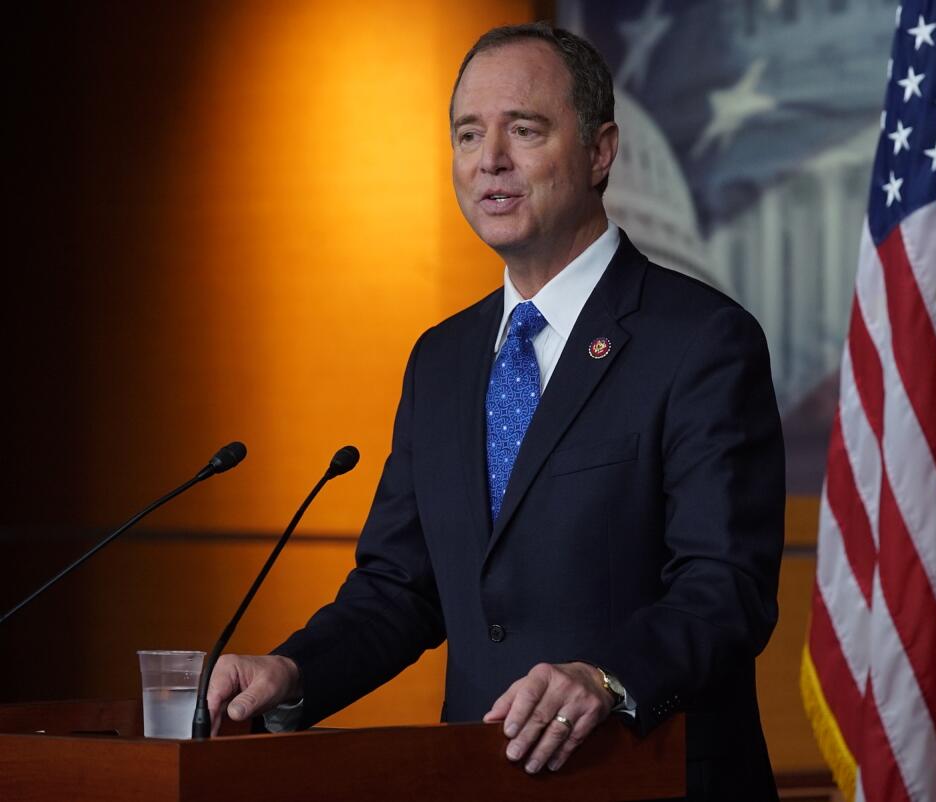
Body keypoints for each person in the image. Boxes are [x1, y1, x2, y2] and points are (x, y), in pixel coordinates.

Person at [207, 22, 785, 801]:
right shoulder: (440, 361)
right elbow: (399, 588)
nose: (490, 161)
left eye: (525, 129)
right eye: (469, 134)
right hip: (477, 780)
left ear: (601, 151)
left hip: (648, 776)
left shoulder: (701, 342)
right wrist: (292, 671)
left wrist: (606, 677)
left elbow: (725, 589)